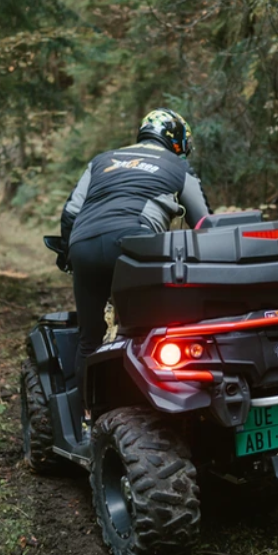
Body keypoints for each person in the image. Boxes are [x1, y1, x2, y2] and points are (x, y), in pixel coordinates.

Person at [60, 108, 212, 374]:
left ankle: (84, 401)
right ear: (178, 141)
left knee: (89, 339)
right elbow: (203, 223)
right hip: (135, 245)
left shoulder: (101, 161)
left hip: (84, 244)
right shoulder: (178, 166)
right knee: (148, 333)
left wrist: (66, 255)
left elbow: (71, 212)